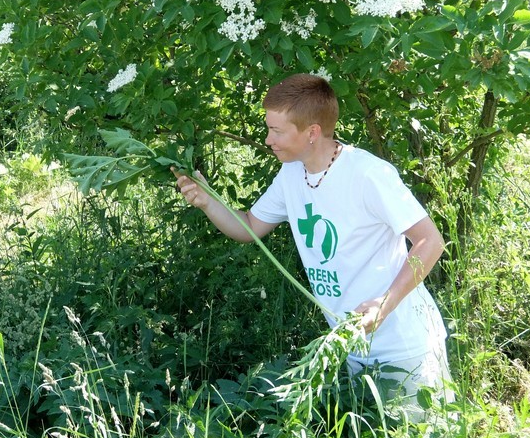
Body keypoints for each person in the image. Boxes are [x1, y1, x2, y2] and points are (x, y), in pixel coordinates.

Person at [174, 73, 452, 416]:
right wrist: (206, 200)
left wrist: (383, 304)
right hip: (351, 349)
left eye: (276, 131)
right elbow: (249, 228)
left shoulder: (367, 174)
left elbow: (430, 240)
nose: (267, 139)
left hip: (404, 348)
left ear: (312, 132)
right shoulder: (292, 174)